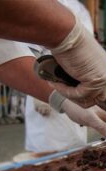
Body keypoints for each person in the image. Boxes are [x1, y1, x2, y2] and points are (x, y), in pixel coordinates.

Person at [0, 0, 106, 142]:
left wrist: (61, 99)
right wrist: (70, 36)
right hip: (45, 89)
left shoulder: (81, 10)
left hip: (70, 93)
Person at [24, 0, 92, 158]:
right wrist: (39, 94)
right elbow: (29, 52)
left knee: (76, 153)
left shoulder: (80, 9)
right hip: (46, 88)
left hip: (75, 89)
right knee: (47, 158)